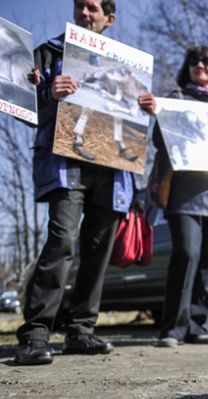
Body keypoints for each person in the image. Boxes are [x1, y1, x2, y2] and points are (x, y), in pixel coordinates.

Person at [15, 0, 156, 366]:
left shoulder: (129, 67)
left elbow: (135, 126)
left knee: (98, 247)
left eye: (93, 8)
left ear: (109, 19)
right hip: (66, 162)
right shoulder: (48, 53)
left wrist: (146, 109)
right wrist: (48, 94)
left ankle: (80, 329)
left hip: (112, 166)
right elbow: (24, 109)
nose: (85, 13)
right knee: (61, 240)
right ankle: (36, 333)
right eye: (80, 6)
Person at [152, 46, 208, 347]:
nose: (200, 65)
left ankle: (199, 325)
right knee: (186, 255)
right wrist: (159, 113)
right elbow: (158, 140)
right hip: (186, 193)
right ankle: (173, 329)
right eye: (193, 61)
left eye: (207, 61)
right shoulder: (176, 100)